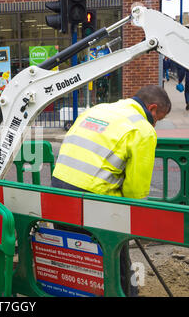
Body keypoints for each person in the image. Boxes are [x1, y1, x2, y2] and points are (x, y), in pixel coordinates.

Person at [52, 85, 171, 296]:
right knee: (114, 259)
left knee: (75, 256)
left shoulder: (98, 110)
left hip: (58, 192)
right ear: (152, 109)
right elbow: (136, 192)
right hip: (91, 200)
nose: (156, 124)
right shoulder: (143, 130)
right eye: (158, 119)